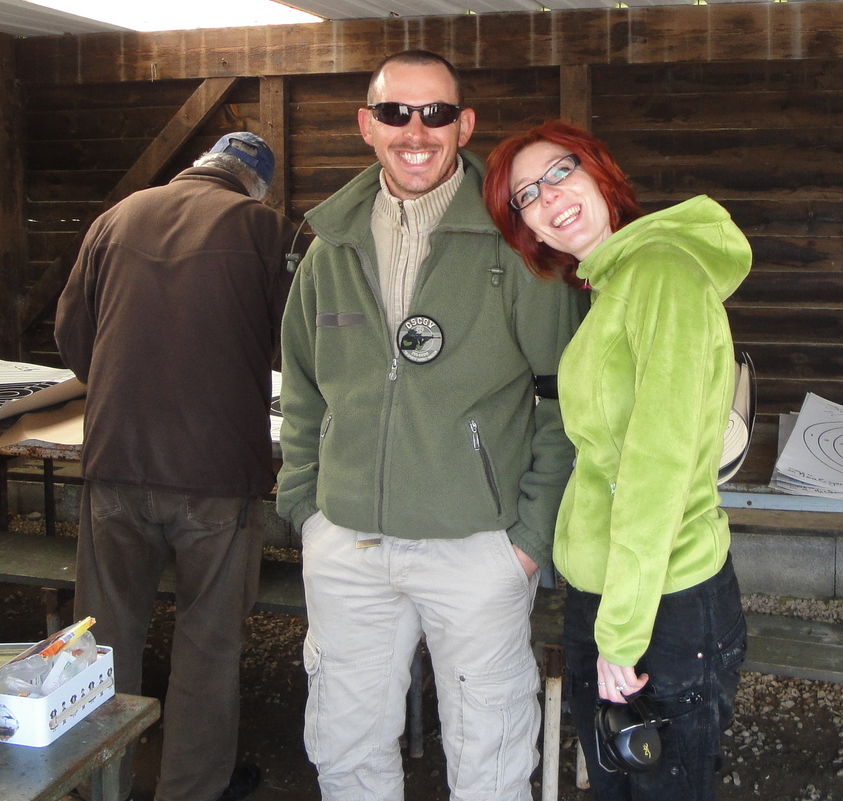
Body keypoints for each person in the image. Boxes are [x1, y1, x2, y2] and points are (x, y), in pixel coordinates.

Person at [276, 50, 586, 801]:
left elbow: (565, 397)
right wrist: (307, 508)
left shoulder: (517, 242)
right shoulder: (328, 247)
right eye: (395, 113)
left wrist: (529, 538)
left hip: (478, 546)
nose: (415, 131)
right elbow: (303, 388)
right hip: (348, 544)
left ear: (464, 125)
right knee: (345, 749)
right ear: (367, 125)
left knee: (489, 758)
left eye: (436, 113)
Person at [483, 120, 752, 800]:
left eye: (560, 172)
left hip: (661, 601)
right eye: (525, 196)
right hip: (612, 592)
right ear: (526, 228)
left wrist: (623, 632)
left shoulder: (660, 274)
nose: (548, 197)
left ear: (601, 172)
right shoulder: (612, 285)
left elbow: (658, 466)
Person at [56, 132, 293, 801]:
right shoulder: (266, 230)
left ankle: (97, 785)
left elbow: (74, 337)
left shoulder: (117, 217)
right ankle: (191, 790)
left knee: (102, 638)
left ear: (199, 165)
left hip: (115, 460)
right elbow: (296, 347)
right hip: (217, 472)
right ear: (256, 186)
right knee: (207, 642)